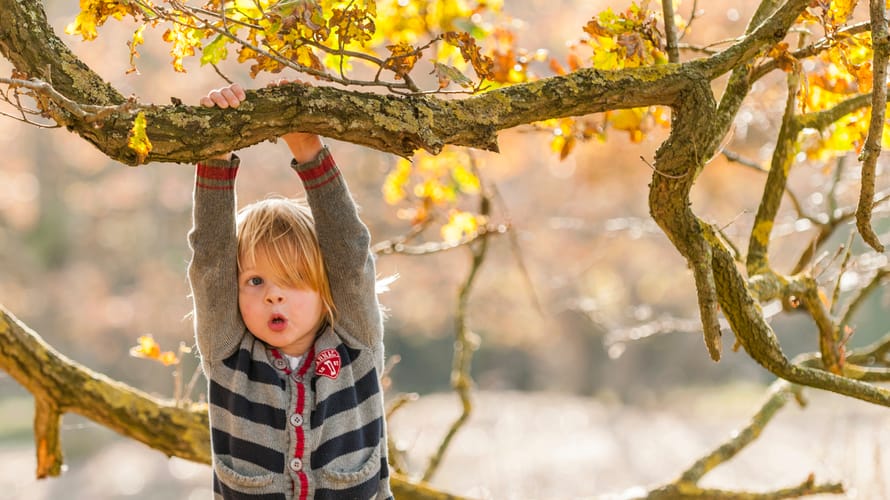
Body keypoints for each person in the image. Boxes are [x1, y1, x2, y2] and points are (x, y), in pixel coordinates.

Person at [189, 82, 392, 500]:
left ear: (325, 287)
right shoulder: (229, 355)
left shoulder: (354, 344)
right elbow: (211, 260)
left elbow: (350, 253)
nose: (273, 296)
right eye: (256, 281)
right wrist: (215, 150)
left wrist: (307, 148)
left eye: (293, 279)